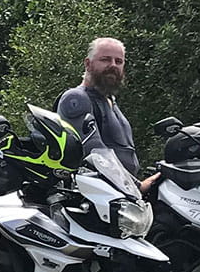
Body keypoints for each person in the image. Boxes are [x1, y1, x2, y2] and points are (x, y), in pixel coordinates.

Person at [55, 37, 157, 192]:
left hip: (120, 197)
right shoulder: (76, 98)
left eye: (119, 61)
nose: (113, 66)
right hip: (93, 200)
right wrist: (138, 186)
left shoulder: (109, 101)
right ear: (88, 64)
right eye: (105, 60)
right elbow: (94, 154)